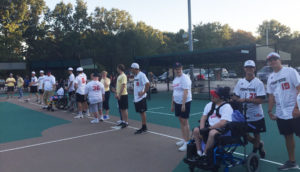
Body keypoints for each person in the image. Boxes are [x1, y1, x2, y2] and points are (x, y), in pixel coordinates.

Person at [266, 52, 300, 170]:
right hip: (281, 113)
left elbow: (299, 89)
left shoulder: (290, 72)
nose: (273, 61)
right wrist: (270, 111)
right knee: (288, 137)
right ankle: (292, 162)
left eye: (275, 58)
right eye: (270, 60)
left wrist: (297, 108)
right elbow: (271, 96)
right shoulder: (270, 77)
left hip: (295, 111)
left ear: (279, 60)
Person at [233, 60, 266, 158]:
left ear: (254, 69)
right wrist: (235, 99)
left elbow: (260, 100)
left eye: (251, 67)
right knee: (244, 135)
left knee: (256, 134)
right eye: (247, 67)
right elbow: (235, 95)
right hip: (243, 114)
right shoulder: (240, 82)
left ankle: (254, 153)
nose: (249, 69)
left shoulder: (258, 83)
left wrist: (247, 99)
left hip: (256, 114)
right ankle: (259, 144)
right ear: (244, 69)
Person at [193, 87, 232, 158]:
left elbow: (222, 123)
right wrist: (202, 130)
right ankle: (199, 151)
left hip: (222, 129)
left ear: (221, 97)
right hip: (209, 127)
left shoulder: (227, 107)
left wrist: (208, 129)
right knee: (196, 130)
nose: (212, 96)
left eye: (215, 95)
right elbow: (203, 118)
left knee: (212, 133)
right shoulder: (209, 104)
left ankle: (205, 153)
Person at [171, 62, 192, 151]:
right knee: (181, 120)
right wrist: (172, 104)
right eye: (176, 69)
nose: (178, 70)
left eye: (179, 68)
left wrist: (183, 104)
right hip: (177, 103)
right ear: (174, 70)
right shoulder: (175, 79)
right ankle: (183, 139)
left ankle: (187, 142)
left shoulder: (185, 78)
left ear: (182, 68)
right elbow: (174, 92)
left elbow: (185, 92)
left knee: (185, 121)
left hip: (185, 102)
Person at [131, 63, 150, 134]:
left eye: (131, 68)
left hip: (141, 98)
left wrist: (143, 92)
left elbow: (147, 84)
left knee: (142, 112)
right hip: (137, 98)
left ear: (135, 68)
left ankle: (144, 128)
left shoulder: (142, 75)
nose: (131, 70)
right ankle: (143, 127)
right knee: (141, 113)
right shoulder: (136, 76)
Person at [115, 64, 129, 128]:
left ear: (119, 68)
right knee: (121, 109)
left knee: (124, 109)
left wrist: (119, 95)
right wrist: (117, 94)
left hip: (123, 95)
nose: (116, 69)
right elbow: (118, 86)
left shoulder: (123, 76)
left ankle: (126, 122)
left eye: (117, 68)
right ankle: (123, 121)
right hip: (120, 95)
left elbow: (123, 86)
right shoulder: (119, 76)